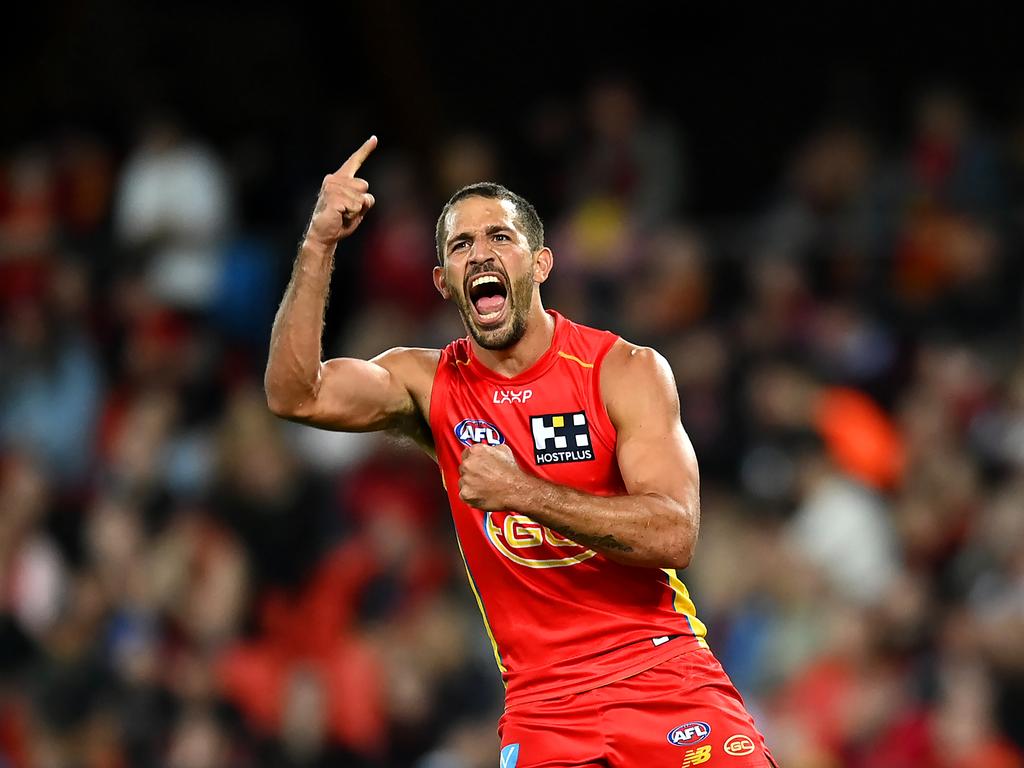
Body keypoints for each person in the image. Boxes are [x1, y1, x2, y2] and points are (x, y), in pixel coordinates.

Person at [265, 136, 777, 768]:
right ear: (442, 281)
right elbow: (296, 395)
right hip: (543, 709)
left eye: (499, 238)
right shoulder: (428, 385)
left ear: (540, 264)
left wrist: (522, 492)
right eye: (460, 245)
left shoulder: (622, 371)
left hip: (663, 676)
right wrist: (318, 246)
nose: (480, 252)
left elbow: (675, 534)